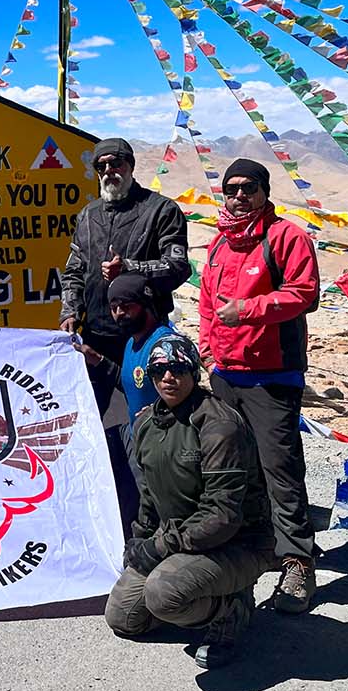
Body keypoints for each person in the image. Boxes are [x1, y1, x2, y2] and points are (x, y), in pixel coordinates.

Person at [104, 334, 276, 669]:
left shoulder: (218, 425)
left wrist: (160, 547)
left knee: (163, 594)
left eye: (179, 368)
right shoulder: (147, 425)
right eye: (159, 370)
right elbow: (150, 498)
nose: (168, 377)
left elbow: (222, 515)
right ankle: (197, 598)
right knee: (124, 617)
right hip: (183, 541)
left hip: (237, 544)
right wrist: (140, 542)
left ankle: (230, 608)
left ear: (194, 371)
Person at [198, 158, 321, 614]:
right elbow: (209, 304)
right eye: (231, 188)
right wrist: (208, 350)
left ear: (265, 191)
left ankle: (298, 563)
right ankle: (257, 547)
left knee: (280, 469)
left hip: (272, 375)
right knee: (236, 467)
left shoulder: (287, 236)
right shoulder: (219, 243)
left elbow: (304, 293)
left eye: (248, 187)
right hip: (225, 374)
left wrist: (248, 310)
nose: (239, 195)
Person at [60, 137, 189, 409]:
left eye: (116, 163)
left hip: (144, 335)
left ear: (130, 165)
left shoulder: (160, 210)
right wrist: (70, 310)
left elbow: (178, 267)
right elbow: (74, 269)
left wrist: (131, 268)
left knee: (148, 413)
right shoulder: (87, 215)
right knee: (93, 415)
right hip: (96, 334)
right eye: (101, 166)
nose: (109, 171)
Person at [80, 273, 176, 527]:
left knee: (154, 510)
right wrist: (98, 361)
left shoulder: (164, 345)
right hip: (138, 436)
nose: (120, 313)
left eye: (126, 306)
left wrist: (160, 412)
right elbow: (133, 384)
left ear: (145, 305)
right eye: (114, 308)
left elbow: (186, 395)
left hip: (163, 446)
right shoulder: (132, 343)